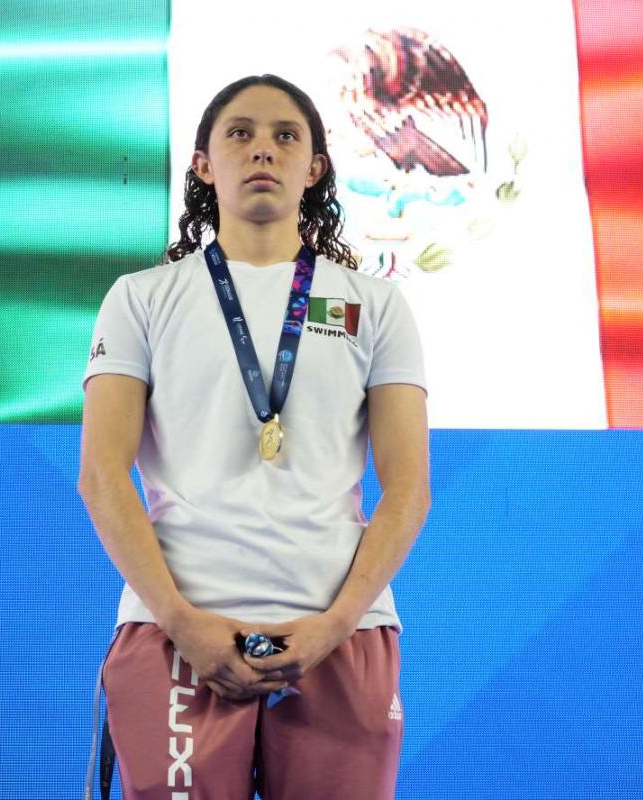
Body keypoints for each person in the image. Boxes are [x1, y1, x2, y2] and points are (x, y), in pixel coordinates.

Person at [78, 73, 430, 800]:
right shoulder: (140, 299)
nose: (262, 149)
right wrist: (181, 621)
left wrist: (336, 623)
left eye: (285, 135)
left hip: (340, 633)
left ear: (315, 167)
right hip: (177, 630)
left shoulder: (375, 305)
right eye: (239, 133)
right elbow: (102, 476)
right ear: (203, 164)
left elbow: (408, 488)